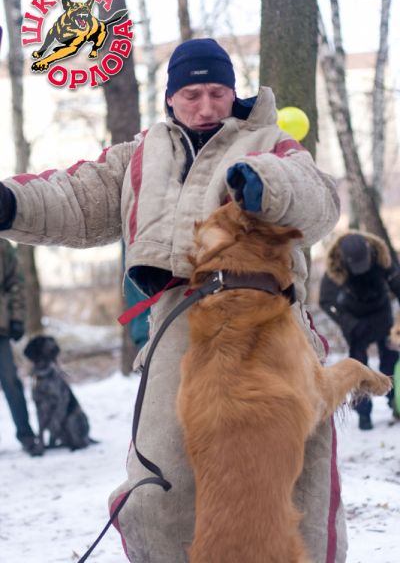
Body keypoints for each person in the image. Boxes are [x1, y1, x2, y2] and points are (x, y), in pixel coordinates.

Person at [0, 38, 346, 561]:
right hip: (179, 322)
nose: (206, 106)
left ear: (233, 92)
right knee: (156, 492)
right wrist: (9, 203)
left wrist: (267, 186)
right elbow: (73, 196)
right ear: (170, 98)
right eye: (192, 94)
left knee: (291, 477)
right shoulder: (139, 155)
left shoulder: (270, 142)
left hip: (266, 321)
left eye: (218, 92)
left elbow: (318, 198)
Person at [319, 231, 400, 430]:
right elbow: (325, 301)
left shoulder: (382, 257)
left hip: (381, 313)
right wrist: (350, 323)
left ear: (369, 250)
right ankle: (364, 414)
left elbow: (398, 285)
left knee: (390, 360)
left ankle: (394, 402)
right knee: (358, 368)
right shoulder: (335, 266)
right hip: (355, 321)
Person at [0, 239, 44, 456]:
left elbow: (16, 284)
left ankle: (26, 436)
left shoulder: (2, 246)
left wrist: (17, 318)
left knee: (12, 383)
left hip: (0, 331)